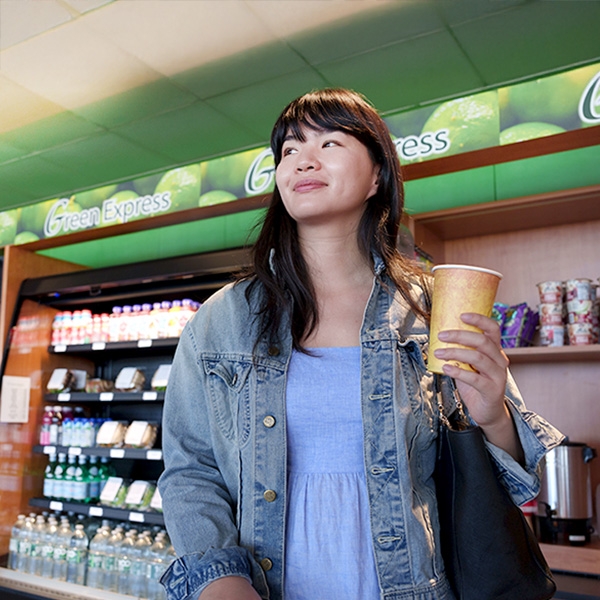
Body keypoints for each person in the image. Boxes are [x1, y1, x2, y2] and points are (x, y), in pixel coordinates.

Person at [158, 88, 563, 600]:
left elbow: (497, 483)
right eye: (288, 150)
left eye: (329, 143)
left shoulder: (435, 307)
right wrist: (221, 582)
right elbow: (189, 470)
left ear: (378, 176)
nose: (302, 159)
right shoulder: (223, 318)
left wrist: (494, 415)